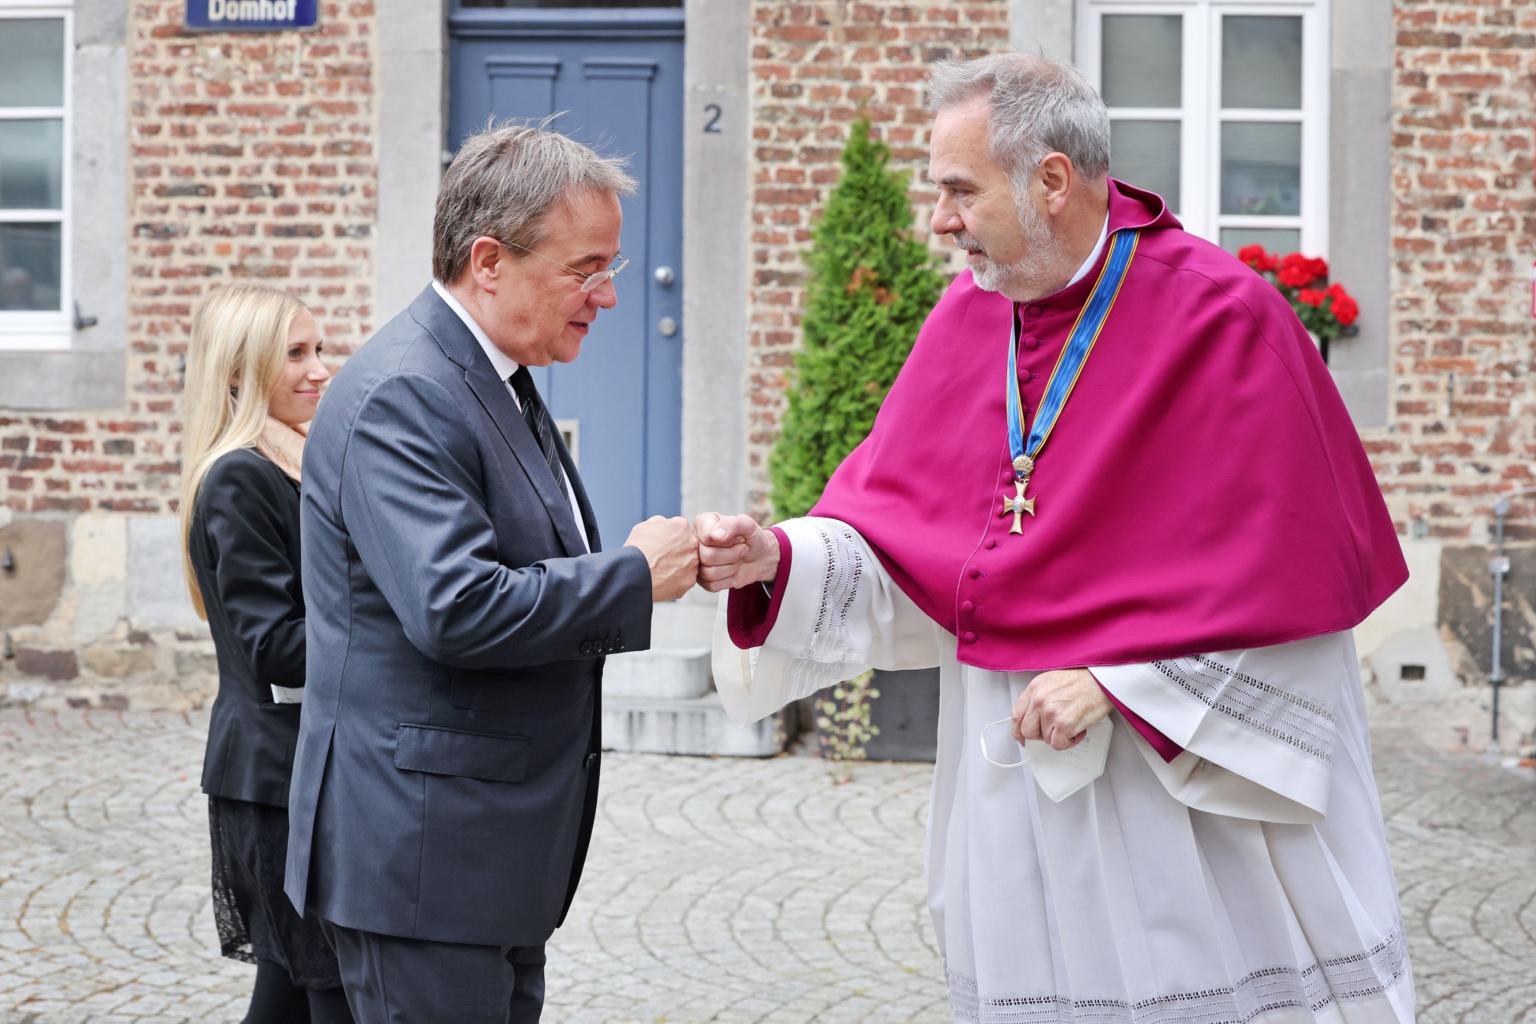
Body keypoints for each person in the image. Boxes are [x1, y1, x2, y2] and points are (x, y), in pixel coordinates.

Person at [699, 54, 1416, 1023]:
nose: (939, 220)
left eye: (958, 190)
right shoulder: (966, 317)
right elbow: (905, 542)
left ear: (1051, 181)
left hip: (1180, 803)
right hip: (1013, 778)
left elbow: (1300, 602)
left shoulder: (1224, 320)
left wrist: (1123, 684)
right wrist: (777, 559)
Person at [284, 120, 699, 1023]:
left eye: (613, 269)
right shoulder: (408, 389)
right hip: (422, 863)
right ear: (489, 260)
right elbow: (457, 607)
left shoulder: (489, 373)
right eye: (586, 268)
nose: (608, 296)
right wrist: (633, 576)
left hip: (479, 862)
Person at [178, 284, 353, 1023]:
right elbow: (278, 647)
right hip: (277, 783)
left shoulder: (301, 466)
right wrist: (403, 632)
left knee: (293, 998)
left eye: (320, 350)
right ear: (238, 373)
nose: (321, 370)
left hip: (303, 771)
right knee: (327, 994)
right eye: (297, 355)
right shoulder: (242, 476)